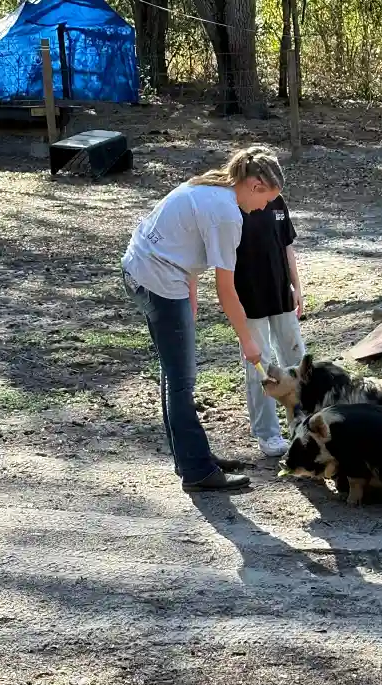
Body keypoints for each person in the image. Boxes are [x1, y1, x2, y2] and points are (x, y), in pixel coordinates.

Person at [122, 145, 284, 492]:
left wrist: (190, 296)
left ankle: (193, 457)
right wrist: (249, 342)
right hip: (157, 278)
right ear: (256, 185)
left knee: (174, 373)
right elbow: (227, 290)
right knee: (181, 381)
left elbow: (185, 242)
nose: (266, 207)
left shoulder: (213, 187)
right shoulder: (227, 214)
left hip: (147, 269)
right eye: (267, 198)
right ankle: (197, 471)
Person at [234, 196, 305, 456]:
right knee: (259, 364)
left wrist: (296, 286)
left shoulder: (277, 202)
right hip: (249, 297)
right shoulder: (234, 204)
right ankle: (267, 433)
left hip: (281, 294)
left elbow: (287, 245)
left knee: (296, 357)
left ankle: (303, 423)